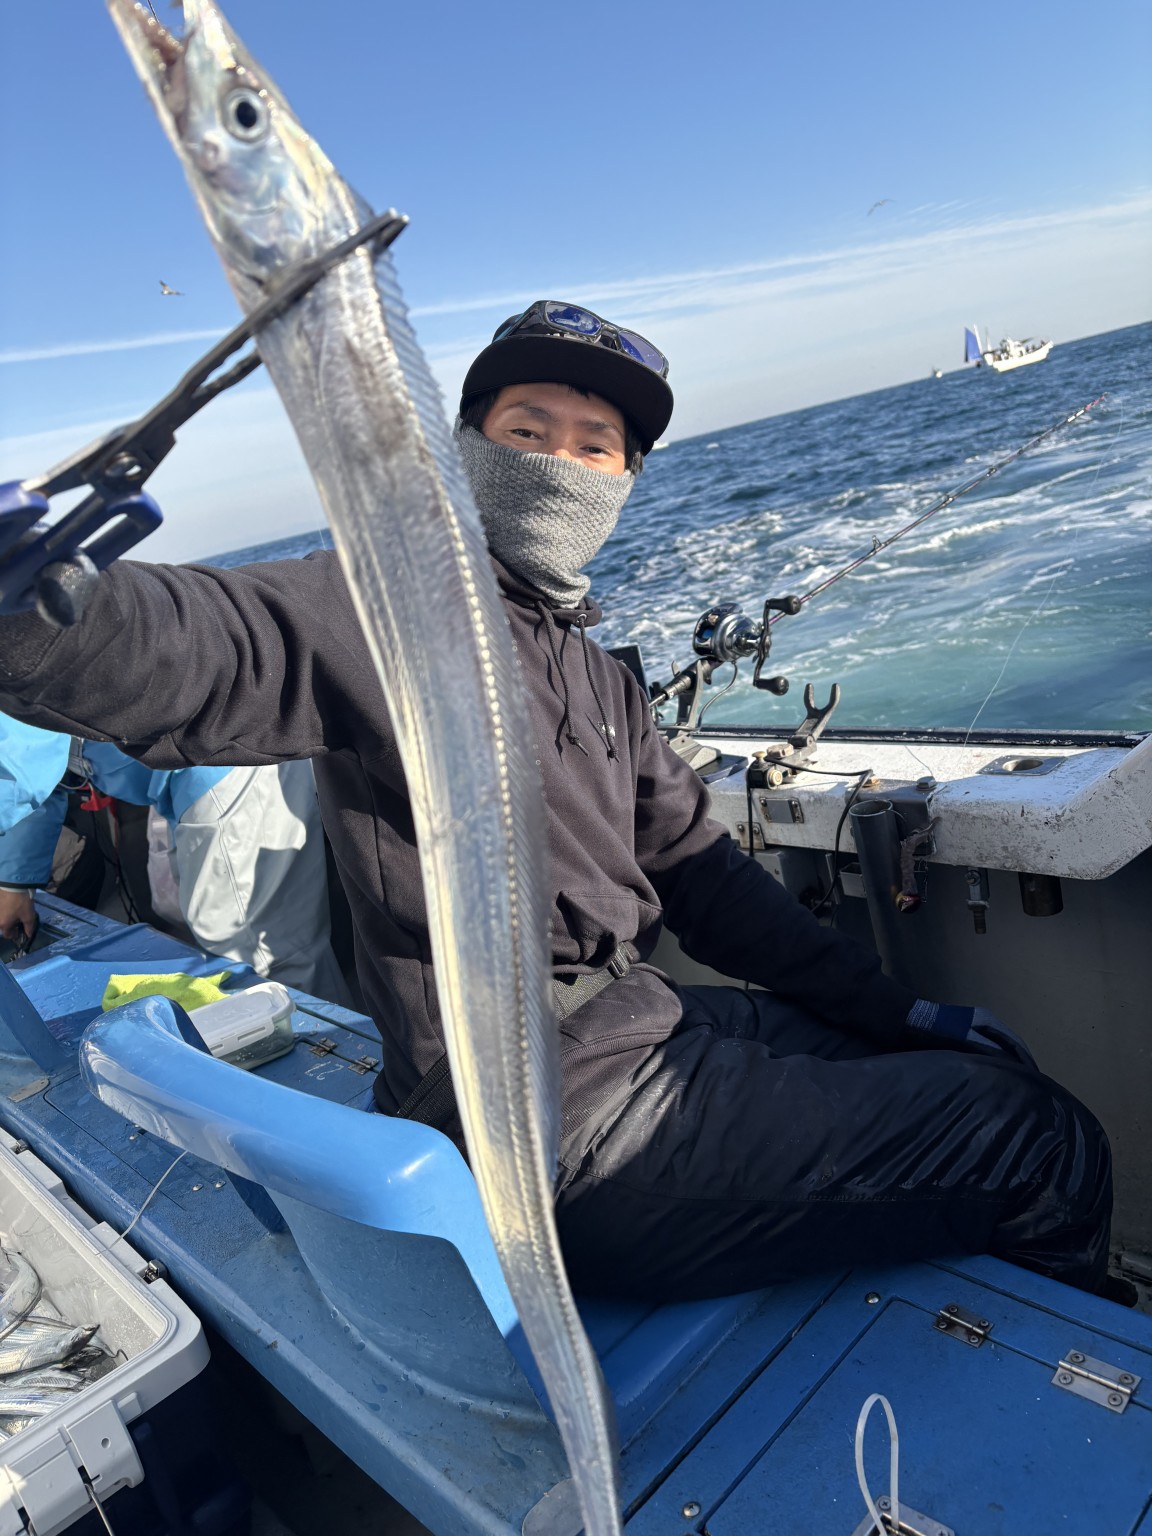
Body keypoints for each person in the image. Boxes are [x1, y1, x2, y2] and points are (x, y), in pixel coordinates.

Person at [0, 301, 1111, 1301]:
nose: (559, 464)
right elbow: (202, 645)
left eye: (594, 446)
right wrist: (36, 609)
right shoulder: (391, 610)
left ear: (626, 478)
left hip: (639, 1023)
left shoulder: (597, 676)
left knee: (959, 1069)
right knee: (1044, 1137)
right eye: (526, 432)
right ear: (464, 449)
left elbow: (706, 880)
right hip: (539, 1120)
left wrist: (901, 1012)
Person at [0, 716, 348, 1004]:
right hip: (187, 775)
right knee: (239, 943)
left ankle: (328, 1060)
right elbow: (40, 772)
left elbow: (17, 764)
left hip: (224, 760)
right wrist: (13, 883)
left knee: (260, 957)